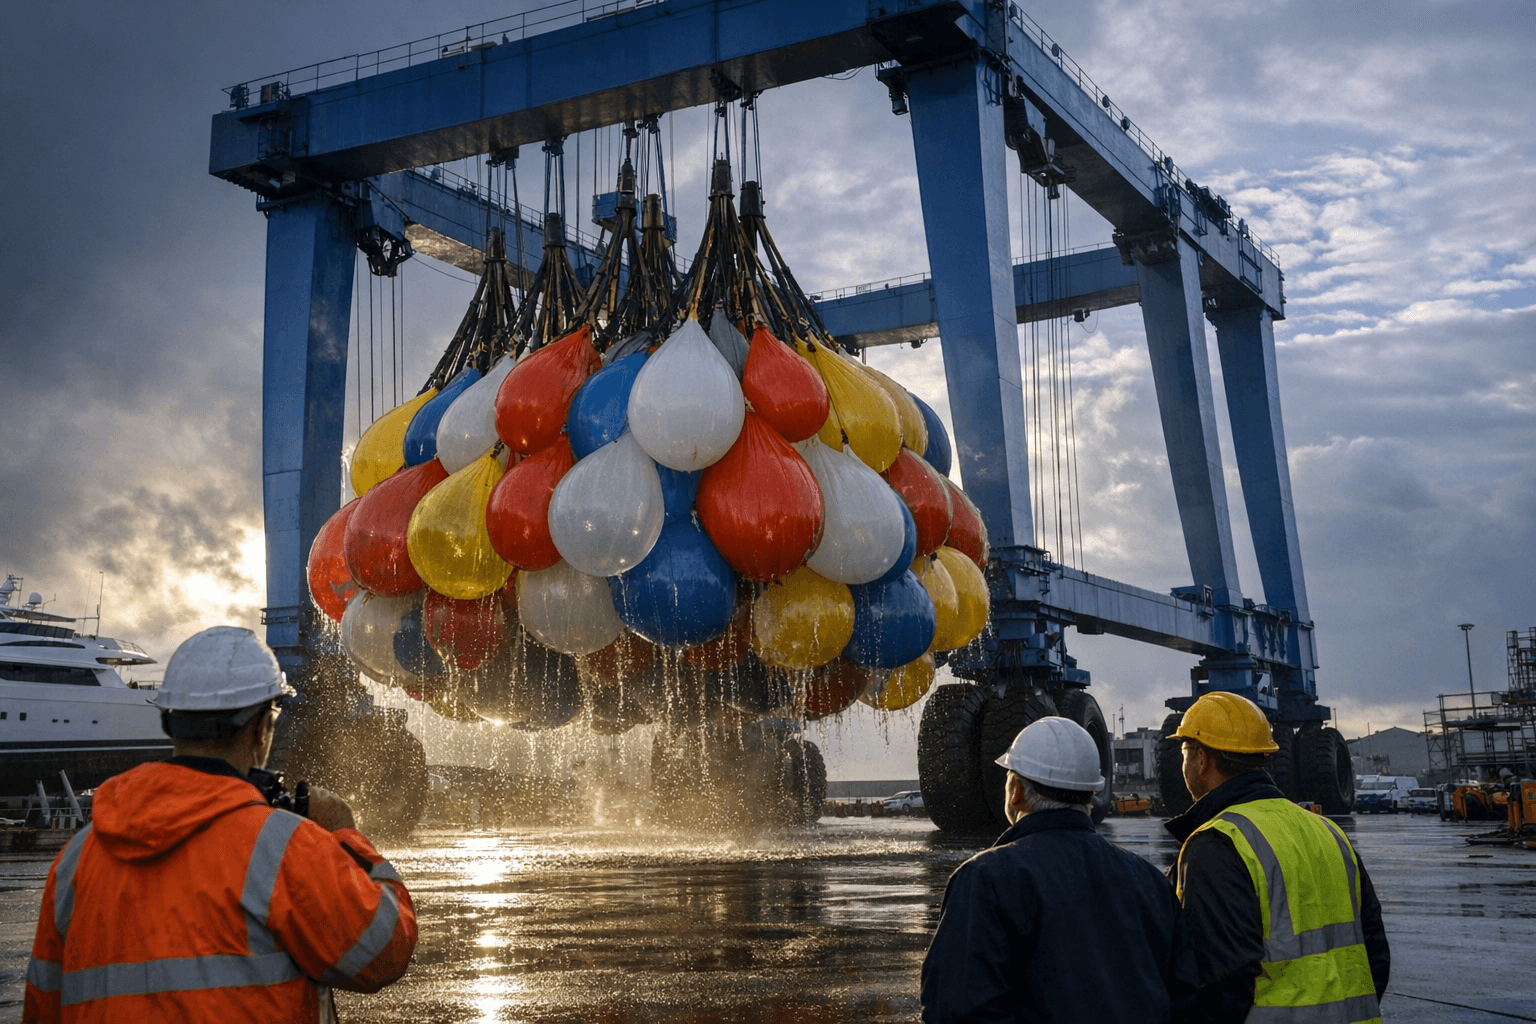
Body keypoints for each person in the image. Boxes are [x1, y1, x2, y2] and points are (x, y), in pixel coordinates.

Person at [24, 626, 417, 1023]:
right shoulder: (282, 847)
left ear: (169, 723)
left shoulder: (76, 859)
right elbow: (385, 951)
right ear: (262, 727)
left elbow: (41, 1006)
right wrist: (345, 833)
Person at [921, 715, 1195, 1024]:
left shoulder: (986, 880)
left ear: (1016, 793)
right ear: (1090, 796)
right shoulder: (1150, 881)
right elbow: (1186, 997)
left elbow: (956, 1009)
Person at [1167, 692, 1390, 1023]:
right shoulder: (1328, 832)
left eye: (1184, 752)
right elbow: (1375, 955)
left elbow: (1220, 986)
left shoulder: (1216, 844)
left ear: (1201, 759)